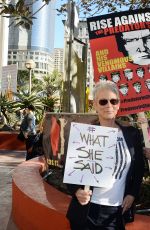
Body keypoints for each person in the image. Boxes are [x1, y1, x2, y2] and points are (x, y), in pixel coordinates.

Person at [66, 80, 144, 230]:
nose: (109, 105)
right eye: (103, 101)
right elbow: (69, 170)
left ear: (119, 104)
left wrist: (132, 194)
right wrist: (77, 191)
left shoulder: (132, 134)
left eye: (113, 101)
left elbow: (139, 168)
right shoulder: (84, 135)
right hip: (86, 210)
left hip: (117, 211)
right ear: (95, 104)